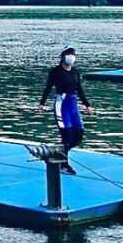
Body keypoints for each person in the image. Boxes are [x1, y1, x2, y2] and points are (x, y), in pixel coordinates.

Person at [38, 47, 92, 175]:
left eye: (73, 54)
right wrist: (42, 103)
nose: (71, 56)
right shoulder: (56, 71)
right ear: (63, 56)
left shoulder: (75, 72)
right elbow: (48, 87)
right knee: (66, 136)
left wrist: (87, 105)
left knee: (78, 135)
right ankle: (63, 164)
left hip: (73, 106)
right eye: (69, 53)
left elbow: (79, 89)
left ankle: (57, 153)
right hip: (62, 106)